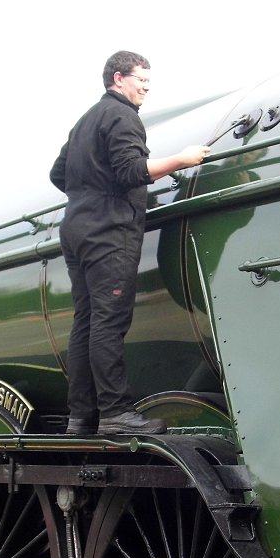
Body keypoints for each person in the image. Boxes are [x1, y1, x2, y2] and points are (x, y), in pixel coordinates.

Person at [50, 50, 210, 436]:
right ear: (118, 78)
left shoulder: (86, 120)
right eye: (142, 80)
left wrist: (90, 193)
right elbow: (131, 171)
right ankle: (115, 413)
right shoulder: (122, 116)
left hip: (77, 228)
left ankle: (81, 416)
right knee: (109, 321)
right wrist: (184, 160)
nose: (146, 88)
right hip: (109, 232)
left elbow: (58, 174)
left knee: (86, 323)